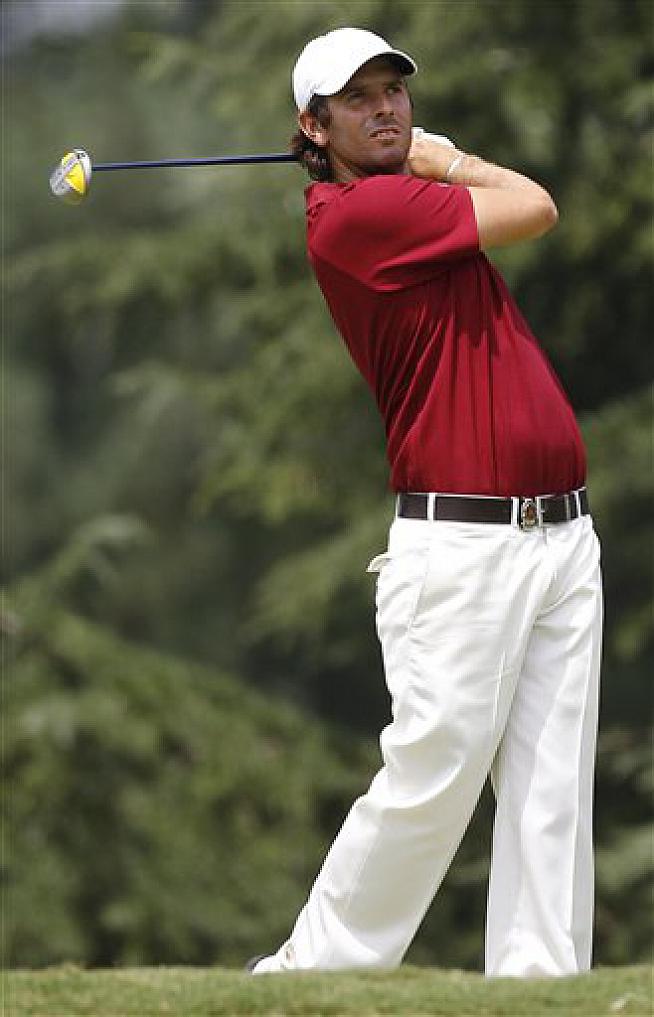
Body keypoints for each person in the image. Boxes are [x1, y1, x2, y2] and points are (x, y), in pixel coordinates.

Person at [249, 27, 603, 978]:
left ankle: (542, 982)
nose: (387, 110)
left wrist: (432, 168)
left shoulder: (402, 202)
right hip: (464, 549)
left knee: (552, 786)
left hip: (560, 533)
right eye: (358, 99)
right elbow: (535, 205)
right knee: (432, 774)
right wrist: (449, 159)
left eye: (394, 91)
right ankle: (309, 974)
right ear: (313, 127)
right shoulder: (362, 214)